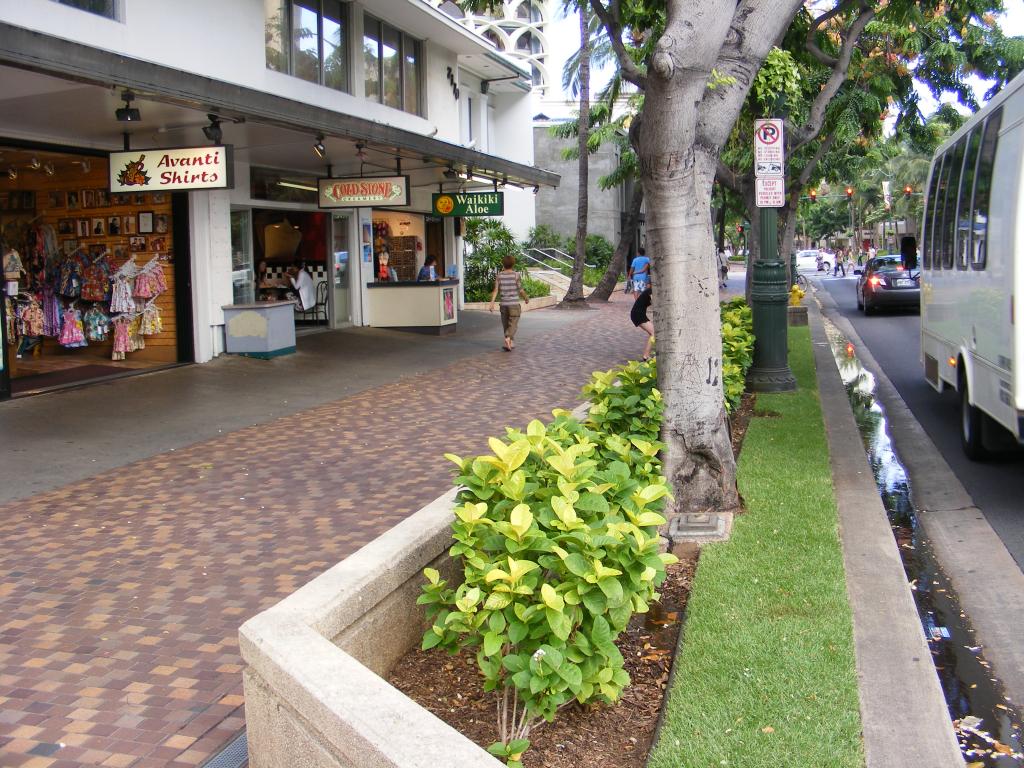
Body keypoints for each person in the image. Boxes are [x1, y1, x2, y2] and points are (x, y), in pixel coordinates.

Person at [488, 254, 530, 351]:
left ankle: (510, 343)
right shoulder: (516, 275)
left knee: (506, 324)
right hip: (514, 304)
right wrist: (526, 298)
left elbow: (495, 290)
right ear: (513, 264)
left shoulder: (499, 276)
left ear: (503, 264)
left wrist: (492, 303)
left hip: (503, 304)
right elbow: (520, 290)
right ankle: (508, 338)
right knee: (513, 323)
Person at [630, 285, 654, 361]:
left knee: (653, 333)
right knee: (654, 333)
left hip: (639, 313)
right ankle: (646, 356)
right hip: (637, 314)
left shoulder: (651, 291)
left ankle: (646, 356)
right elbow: (654, 302)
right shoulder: (651, 291)